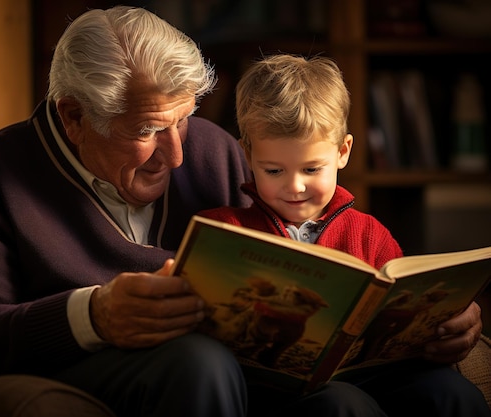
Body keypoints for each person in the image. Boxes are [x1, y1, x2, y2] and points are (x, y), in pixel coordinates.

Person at [0, 6, 485, 417]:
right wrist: (91, 316)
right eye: (146, 130)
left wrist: (437, 324)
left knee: (440, 393)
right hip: (100, 362)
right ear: (73, 117)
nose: (178, 154)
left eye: (183, 119)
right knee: (199, 362)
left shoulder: (215, 148)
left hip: (257, 369)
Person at [198, 53, 490, 416]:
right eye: (273, 170)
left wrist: (442, 319)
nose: (295, 186)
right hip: (271, 390)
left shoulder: (370, 235)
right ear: (247, 154)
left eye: (311, 168)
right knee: (342, 404)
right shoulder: (224, 229)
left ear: (343, 152)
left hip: (374, 377)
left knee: (454, 395)